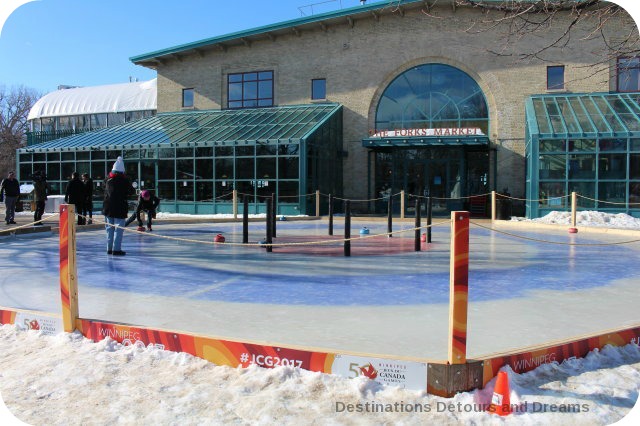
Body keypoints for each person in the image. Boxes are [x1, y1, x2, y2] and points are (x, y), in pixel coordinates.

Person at [102, 157, 134, 256]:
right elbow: (131, 191)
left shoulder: (108, 180)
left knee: (109, 228)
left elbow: (103, 188)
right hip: (120, 207)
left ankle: (109, 248)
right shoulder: (125, 181)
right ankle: (116, 249)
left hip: (108, 207)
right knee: (119, 229)